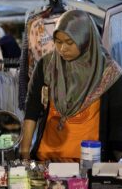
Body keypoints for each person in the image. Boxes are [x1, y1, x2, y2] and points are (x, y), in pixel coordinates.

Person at [20, 10, 122, 162]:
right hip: (47, 159)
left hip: (90, 163)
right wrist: (25, 150)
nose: (62, 49)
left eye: (69, 42)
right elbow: (32, 108)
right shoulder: (47, 65)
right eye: (58, 42)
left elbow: (117, 123)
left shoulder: (108, 72)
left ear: (86, 39)